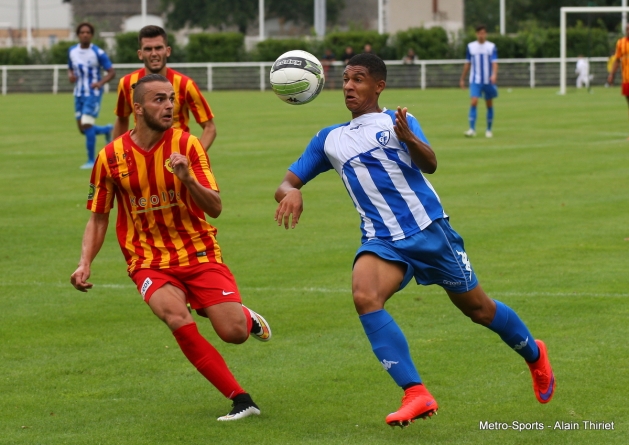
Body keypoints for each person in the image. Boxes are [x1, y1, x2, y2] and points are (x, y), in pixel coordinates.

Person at [273, 54, 555, 428]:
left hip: (429, 232)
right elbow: (287, 182)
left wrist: (409, 139)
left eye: (359, 79)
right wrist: (290, 193)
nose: (349, 86)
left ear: (379, 86)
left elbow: (430, 163)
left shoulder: (397, 122)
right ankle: (415, 393)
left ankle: (535, 354)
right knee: (364, 296)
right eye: (345, 79)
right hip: (382, 241)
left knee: (479, 311)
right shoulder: (330, 140)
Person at [71, 74, 271, 421]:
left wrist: (188, 178)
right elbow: (99, 218)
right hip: (147, 259)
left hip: (198, 251)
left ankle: (242, 315)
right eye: (159, 100)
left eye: (170, 99)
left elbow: (216, 208)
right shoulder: (111, 156)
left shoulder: (188, 146)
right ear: (137, 108)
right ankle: (241, 399)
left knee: (234, 334)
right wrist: (85, 262)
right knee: (175, 317)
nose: (168, 106)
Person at [112, 26, 217, 151]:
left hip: (175, 158)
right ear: (140, 54)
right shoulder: (127, 83)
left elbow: (210, 127)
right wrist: (117, 153)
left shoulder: (185, 84)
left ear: (167, 51)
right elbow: (122, 119)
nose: (154, 53)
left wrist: (194, 157)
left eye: (158, 48)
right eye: (148, 49)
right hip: (142, 156)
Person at [68, 22, 116, 169]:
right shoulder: (72, 51)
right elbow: (70, 69)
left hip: (93, 94)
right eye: (82, 32)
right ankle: (108, 130)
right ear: (78, 35)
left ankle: (91, 161)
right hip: (78, 93)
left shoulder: (98, 52)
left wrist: (100, 83)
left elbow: (111, 72)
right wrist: (71, 75)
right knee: (82, 129)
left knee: (87, 124)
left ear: (92, 35)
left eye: (88, 32)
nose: (85, 34)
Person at [460, 24, 498, 138]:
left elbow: (495, 62)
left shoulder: (491, 47)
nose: (482, 35)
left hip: (488, 80)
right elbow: (468, 63)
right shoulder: (471, 47)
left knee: (489, 104)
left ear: (485, 34)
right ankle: (472, 129)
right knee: (474, 102)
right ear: (477, 34)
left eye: (483, 33)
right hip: (475, 80)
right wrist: (462, 78)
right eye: (480, 33)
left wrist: (494, 75)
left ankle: (489, 129)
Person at [608, 24, 629, 135]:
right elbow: (617, 60)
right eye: (627, 29)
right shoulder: (621, 43)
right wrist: (612, 74)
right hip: (626, 79)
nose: (628, 31)